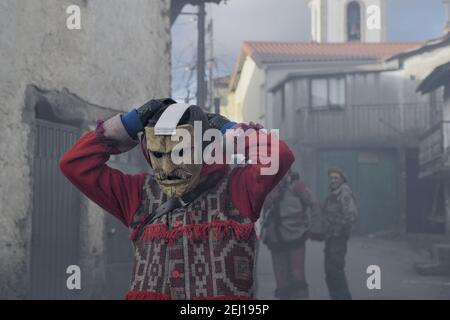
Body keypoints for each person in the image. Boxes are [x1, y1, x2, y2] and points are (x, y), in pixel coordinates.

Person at [59, 98, 294, 300]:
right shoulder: (138, 193)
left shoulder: (236, 189)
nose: (168, 166)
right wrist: (127, 125)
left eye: (180, 152)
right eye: (158, 154)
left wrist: (230, 130)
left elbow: (279, 154)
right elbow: (74, 164)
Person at [260, 170, 318, 299]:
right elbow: (261, 208)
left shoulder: (297, 186)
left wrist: (314, 227)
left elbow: (313, 203)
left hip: (295, 236)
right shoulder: (268, 187)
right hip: (275, 239)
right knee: (281, 280)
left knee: (298, 279)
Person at [322, 168, 358, 300]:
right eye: (331, 178)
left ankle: (342, 297)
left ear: (342, 179)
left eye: (336, 178)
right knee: (330, 271)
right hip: (331, 238)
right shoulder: (333, 195)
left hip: (338, 238)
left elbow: (351, 216)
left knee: (335, 269)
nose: (332, 180)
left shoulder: (344, 193)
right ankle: (337, 296)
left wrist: (339, 229)